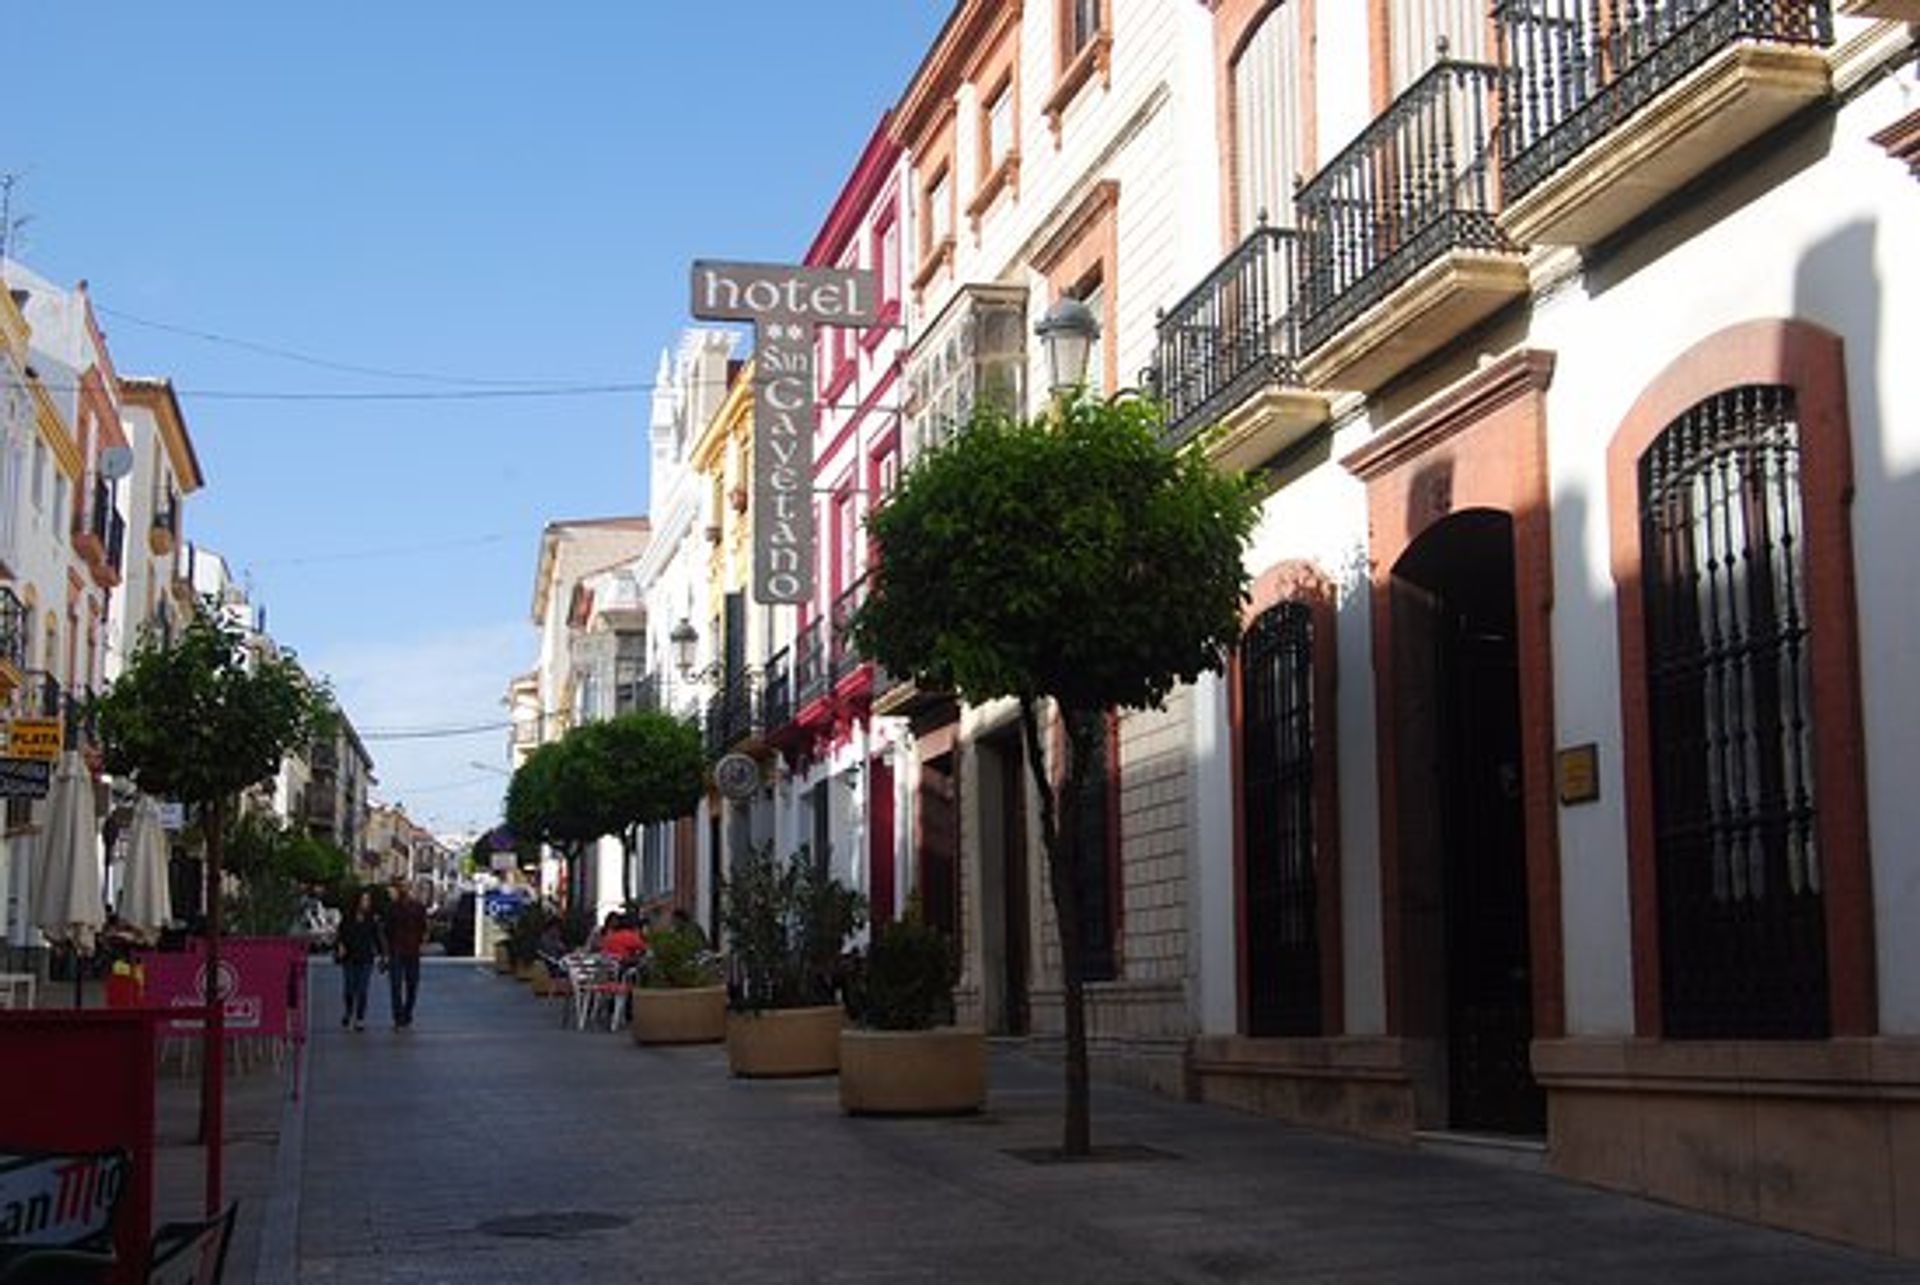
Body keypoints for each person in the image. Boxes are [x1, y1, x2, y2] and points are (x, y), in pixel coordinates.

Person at [335, 890, 385, 1032]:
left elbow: (378, 938)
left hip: (366, 958)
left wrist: (383, 956)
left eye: (368, 900)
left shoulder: (371, 919)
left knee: (362, 990)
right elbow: (340, 935)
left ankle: (360, 1018)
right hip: (349, 958)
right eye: (364, 900)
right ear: (357, 901)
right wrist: (340, 946)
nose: (366, 903)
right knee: (349, 989)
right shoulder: (348, 917)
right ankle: (349, 1011)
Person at [384, 879, 429, 1029]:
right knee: (395, 985)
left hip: (412, 951)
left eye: (407, 887)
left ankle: (407, 1013)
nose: (405, 890)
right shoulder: (392, 908)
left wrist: (421, 944)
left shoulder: (418, 907)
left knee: (412, 985)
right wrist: (386, 951)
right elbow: (387, 930)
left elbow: (424, 928)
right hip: (396, 950)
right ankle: (398, 1017)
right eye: (402, 887)